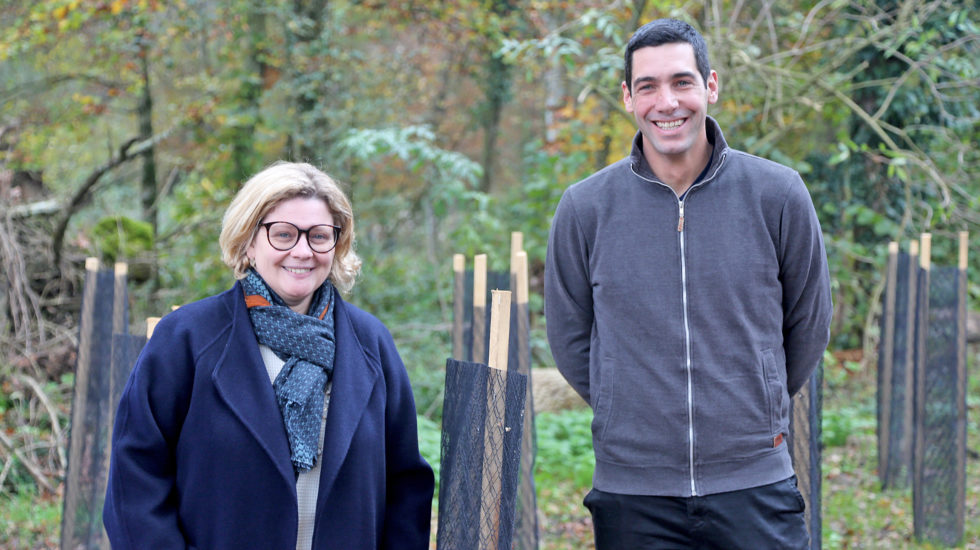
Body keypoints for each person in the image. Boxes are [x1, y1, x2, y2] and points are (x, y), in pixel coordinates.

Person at [544, 18, 833, 549]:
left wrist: (757, 401)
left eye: (682, 82)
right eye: (648, 86)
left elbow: (809, 323)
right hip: (632, 490)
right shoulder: (585, 208)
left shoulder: (778, 195)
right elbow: (570, 335)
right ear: (628, 97)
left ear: (711, 86)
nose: (667, 102)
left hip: (755, 481)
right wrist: (622, 403)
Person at [103, 161, 434, 550]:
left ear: (336, 244)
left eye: (319, 236)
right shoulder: (188, 339)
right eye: (283, 234)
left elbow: (406, 485)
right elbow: (136, 477)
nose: (302, 251)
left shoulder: (370, 344)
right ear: (248, 240)